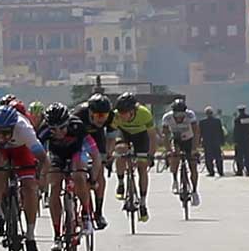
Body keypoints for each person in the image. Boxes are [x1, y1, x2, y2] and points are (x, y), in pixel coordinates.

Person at [0, 104, 47, 251]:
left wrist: (38, 176)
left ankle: (30, 236)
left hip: (21, 150)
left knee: (29, 188)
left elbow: (42, 158)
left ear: (13, 128)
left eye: (6, 133)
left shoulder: (24, 129)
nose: (2, 137)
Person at [38, 103, 99, 251]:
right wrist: (40, 179)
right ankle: (57, 235)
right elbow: (38, 158)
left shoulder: (77, 127)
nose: (58, 132)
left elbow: (95, 155)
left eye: (62, 128)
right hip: (56, 156)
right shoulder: (43, 131)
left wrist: (93, 179)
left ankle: (85, 214)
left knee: (78, 175)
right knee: (54, 187)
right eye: (54, 130)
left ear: (68, 123)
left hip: (76, 154)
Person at [110, 93, 156, 222]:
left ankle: (142, 202)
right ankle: (120, 182)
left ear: (133, 111)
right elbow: (111, 137)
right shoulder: (116, 116)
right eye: (120, 112)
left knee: (142, 167)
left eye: (125, 112)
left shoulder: (144, 114)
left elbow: (152, 137)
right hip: (124, 134)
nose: (122, 115)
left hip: (141, 136)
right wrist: (109, 154)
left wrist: (150, 155)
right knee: (120, 150)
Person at [72, 93, 113, 230]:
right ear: (90, 112)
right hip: (79, 137)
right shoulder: (78, 114)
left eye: (105, 116)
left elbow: (111, 138)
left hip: (97, 138)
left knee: (99, 171)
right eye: (98, 116)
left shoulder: (110, 117)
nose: (102, 120)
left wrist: (108, 154)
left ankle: (99, 212)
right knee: (79, 168)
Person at [161, 98, 201, 206]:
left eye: (181, 115)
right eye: (177, 115)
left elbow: (196, 132)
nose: (179, 118)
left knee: (193, 165)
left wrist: (194, 149)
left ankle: (194, 191)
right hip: (176, 139)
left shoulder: (190, 115)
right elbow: (165, 135)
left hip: (189, 139)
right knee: (174, 157)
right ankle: (174, 179)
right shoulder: (167, 117)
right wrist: (169, 150)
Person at [199, 106, 225, 178]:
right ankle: (220, 171)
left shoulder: (202, 122)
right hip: (216, 142)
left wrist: (199, 142)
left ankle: (211, 172)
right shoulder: (217, 121)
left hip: (207, 142)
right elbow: (220, 132)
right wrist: (222, 141)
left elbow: (200, 133)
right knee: (218, 158)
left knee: (208, 158)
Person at [233, 105, 249, 176]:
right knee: (248, 156)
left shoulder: (237, 119)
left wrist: (235, 141)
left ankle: (240, 170)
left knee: (239, 156)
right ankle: (248, 170)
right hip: (248, 140)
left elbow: (236, 131)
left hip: (240, 141)